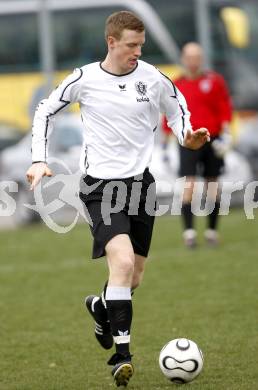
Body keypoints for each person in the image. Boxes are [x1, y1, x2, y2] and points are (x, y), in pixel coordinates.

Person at [26, 12, 210, 387]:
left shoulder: (153, 78)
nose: (137, 52)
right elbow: (45, 110)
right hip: (100, 188)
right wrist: (39, 159)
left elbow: (178, 113)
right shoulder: (85, 78)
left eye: (141, 45)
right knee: (122, 261)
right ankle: (121, 356)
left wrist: (187, 136)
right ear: (111, 42)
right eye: (130, 45)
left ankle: (101, 308)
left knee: (133, 275)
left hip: (141, 188)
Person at [162, 42, 232, 248]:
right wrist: (165, 146)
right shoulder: (176, 85)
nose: (193, 61)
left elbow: (224, 107)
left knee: (212, 186)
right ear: (183, 59)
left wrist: (226, 135)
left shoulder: (215, 81)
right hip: (188, 140)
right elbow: (170, 115)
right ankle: (189, 233)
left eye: (197, 57)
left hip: (212, 139)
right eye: (189, 57)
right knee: (189, 185)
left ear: (201, 59)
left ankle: (211, 231)